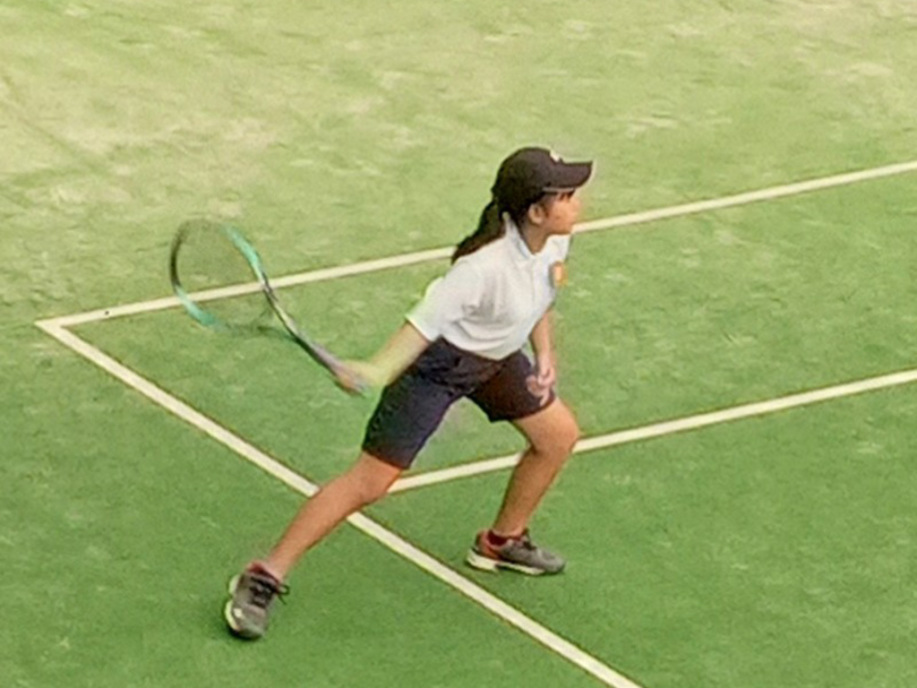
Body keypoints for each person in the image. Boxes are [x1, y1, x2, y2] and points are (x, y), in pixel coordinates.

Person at [224, 146, 593, 640]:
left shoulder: (554, 242)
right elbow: (420, 328)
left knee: (558, 437)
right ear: (536, 212)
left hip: (498, 360)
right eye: (566, 196)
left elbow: (541, 298)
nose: (577, 202)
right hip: (438, 368)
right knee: (369, 483)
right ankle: (264, 576)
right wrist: (375, 371)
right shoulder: (480, 269)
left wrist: (544, 354)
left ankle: (501, 542)